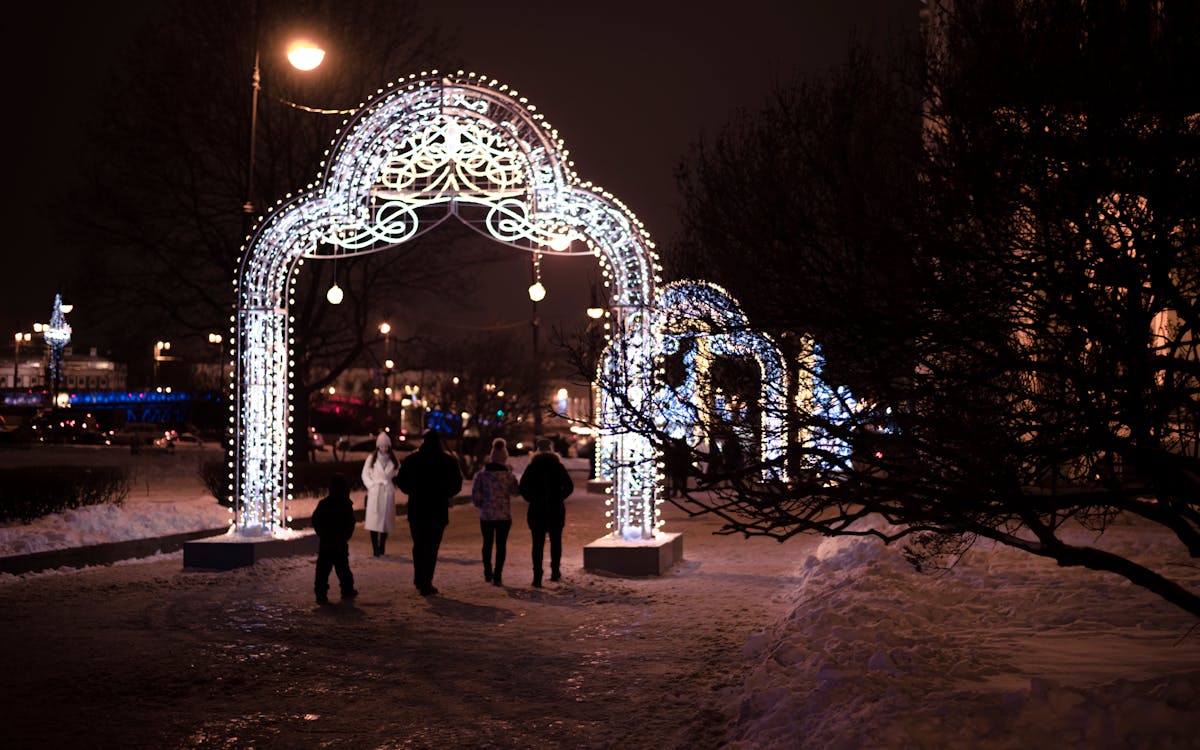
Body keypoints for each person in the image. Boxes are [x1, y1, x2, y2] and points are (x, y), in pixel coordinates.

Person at [397, 429, 463, 596]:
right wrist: (444, 493)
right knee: (432, 547)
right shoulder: (447, 461)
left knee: (419, 545)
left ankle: (419, 578)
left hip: (417, 509)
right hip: (437, 510)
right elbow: (456, 484)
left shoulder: (413, 460)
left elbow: (402, 481)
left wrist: (414, 490)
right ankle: (426, 580)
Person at [519, 437, 574, 587]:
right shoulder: (558, 466)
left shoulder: (532, 467)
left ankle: (537, 576)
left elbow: (522, 488)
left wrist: (533, 499)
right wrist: (559, 498)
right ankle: (555, 572)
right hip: (556, 510)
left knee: (537, 544)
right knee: (556, 542)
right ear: (551, 449)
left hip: (536, 510)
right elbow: (569, 486)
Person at [471, 437, 519, 587]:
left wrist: (484, 505)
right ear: (505, 457)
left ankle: (487, 572)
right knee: (501, 545)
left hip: (486, 516)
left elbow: (476, 497)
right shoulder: (508, 476)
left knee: (487, 543)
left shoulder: (482, 475)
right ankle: (498, 574)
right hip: (504, 515)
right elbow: (516, 492)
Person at [311, 473, 358, 605]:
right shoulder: (345, 505)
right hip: (339, 542)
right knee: (343, 568)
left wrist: (322, 533)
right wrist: (345, 536)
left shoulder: (324, 504)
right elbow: (350, 522)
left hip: (327, 542)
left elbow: (316, 520)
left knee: (323, 570)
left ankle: (321, 593)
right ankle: (347, 589)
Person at [361, 431, 398, 557]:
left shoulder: (393, 459)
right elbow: (365, 474)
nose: (384, 448)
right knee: (374, 520)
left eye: (386, 446)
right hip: (375, 492)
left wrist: (392, 483)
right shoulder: (371, 459)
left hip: (387, 492)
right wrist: (371, 485)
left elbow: (399, 472)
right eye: (382, 446)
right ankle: (375, 547)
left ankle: (382, 544)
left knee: (386, 521)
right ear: (378, 446)